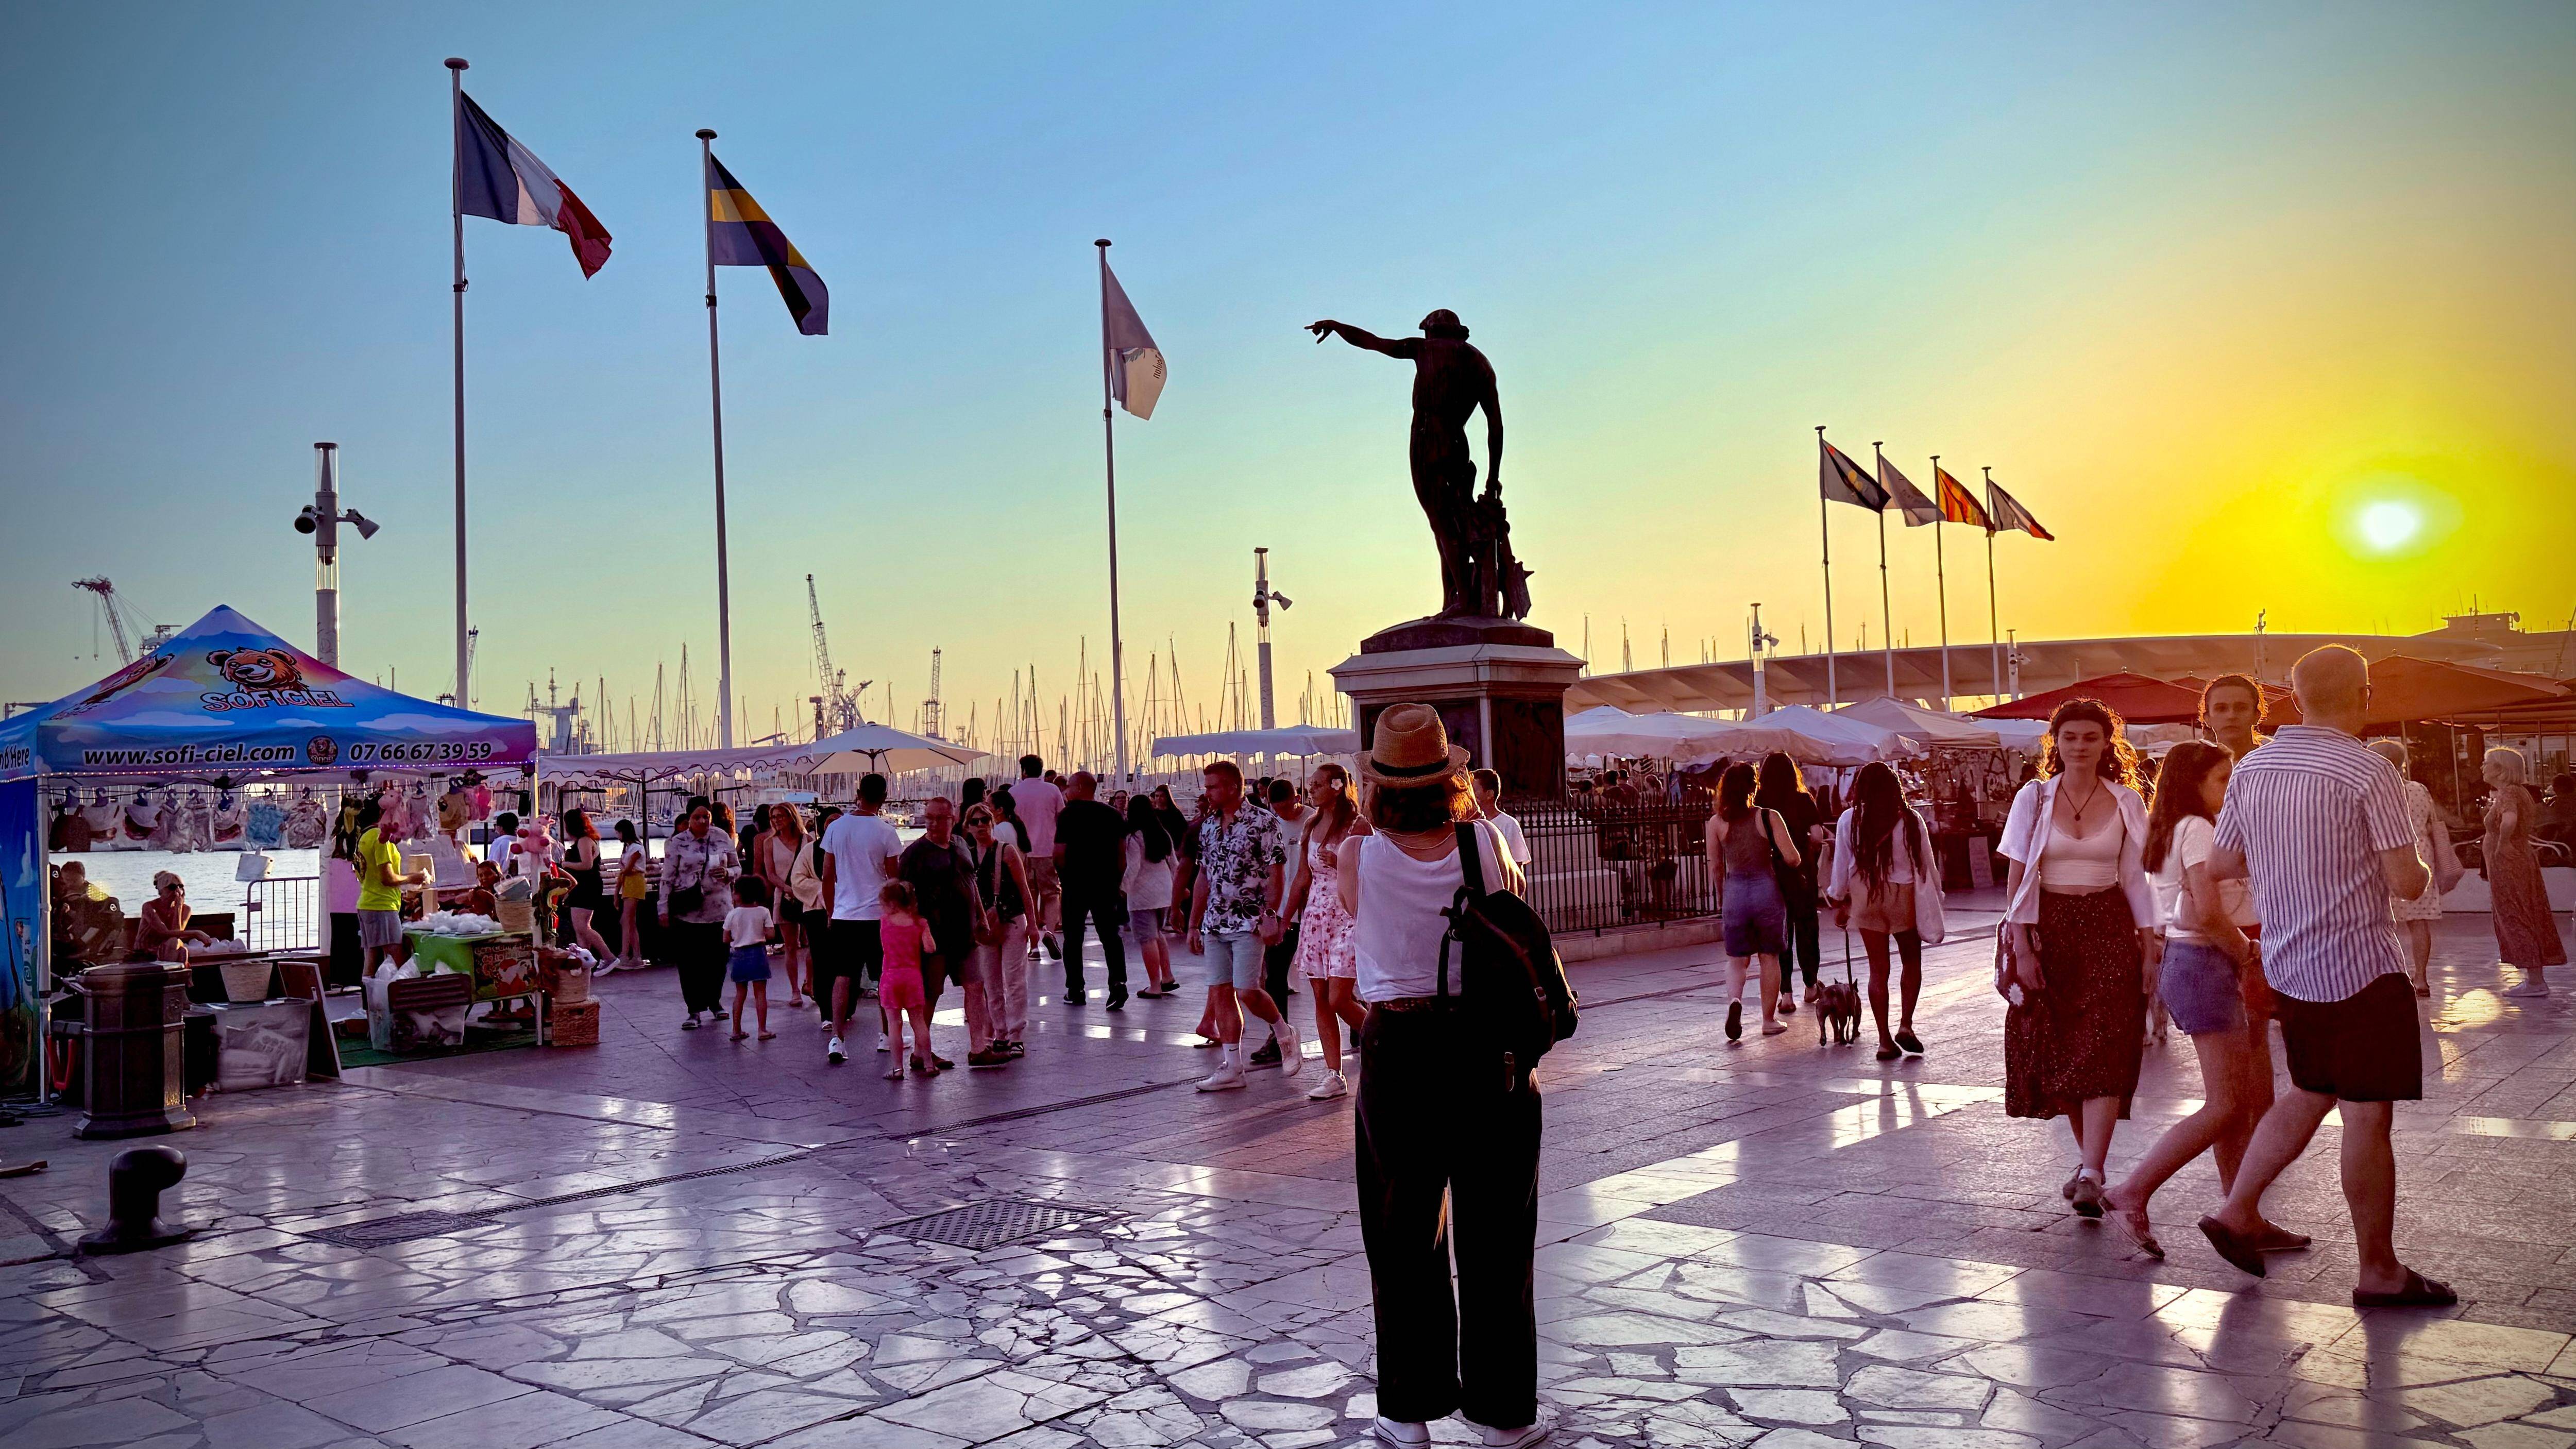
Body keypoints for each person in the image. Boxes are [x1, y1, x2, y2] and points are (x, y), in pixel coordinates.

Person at [2197, 646, 2451, 1307]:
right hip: (2362, 971)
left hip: (2290, 965)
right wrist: (2422, 869)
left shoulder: (2252, 767)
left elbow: (2223, 861)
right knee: (2366, 1117)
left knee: (2308, 1091)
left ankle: (2235, 1211)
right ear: (2363, 695)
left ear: (2292, 695)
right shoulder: (2369, 772)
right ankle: (2379, 1271)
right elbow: (2404, 881)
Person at [1331, 704, 1544, 1449]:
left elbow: (1364, 919)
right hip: (1489, 1050)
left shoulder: (1358, 856)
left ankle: (1408, 1413)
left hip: (1402, 1050)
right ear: (1449, 777)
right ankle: (1504, 1417)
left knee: (1402, 1235)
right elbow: (1513, 909)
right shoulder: (1484, 842)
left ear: (1379, 784)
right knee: (1498, 1235)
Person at [2097, 742, 2294, 1260]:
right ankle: (2130, 1191)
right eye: (2220, 780)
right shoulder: (2198, 829)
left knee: (2235, 1103)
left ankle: (2241, 1211)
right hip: (2206, 963)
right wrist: (2247, 953)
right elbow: (2205, 912)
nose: (2229, 789)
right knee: (2226, 1104)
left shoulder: (2174, 828)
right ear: (2193, 784)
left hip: (2191, 965)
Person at [1999, 698, 2159, 1219]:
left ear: (2105, 743)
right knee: (2060, 1049)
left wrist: (2148, 943)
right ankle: (2089, 1167)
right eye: (2069, 737)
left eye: (2090, 737)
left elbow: (2136, 879)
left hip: (2109, 926)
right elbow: (2017, 877)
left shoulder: (2127, 800)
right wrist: (2021, 945)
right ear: (2055, 743)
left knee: (2105, 1044)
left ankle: (2091, 1170)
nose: (2079, 746)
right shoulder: (2033, 798)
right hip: (2051, 927)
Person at [1187, 760, 1301, 1089]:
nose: (1207, 792)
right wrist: (1194, 924)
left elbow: (1275, 872)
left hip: (1248, 920)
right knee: (1222, 992)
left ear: (1233, 788)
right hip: (1215, 922)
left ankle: (1283, 1031)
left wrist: (1271, 916)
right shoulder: (1208, 827)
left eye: (1212, 787)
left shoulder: (1263, 822)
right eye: (1206, 787)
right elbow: (1203, 877)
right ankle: (1233, 1067)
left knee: (1247, 990)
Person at [1825, 762, 1943, 1060]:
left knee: (1878, 970)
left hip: (1868, 896)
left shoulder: (1849, 820)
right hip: (1903, 896)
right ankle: (1906, 1025)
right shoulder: (1911, 819)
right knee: (1911, 962)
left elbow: (1841, 865)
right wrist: (1936, 896)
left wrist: (1838, 899)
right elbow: (1927, 863)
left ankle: (1884, 1041)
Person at [1287, 762, 1370, 1100]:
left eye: (1318, 784)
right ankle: (1333, 1074)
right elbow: (1302, 877)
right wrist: (1284, 917)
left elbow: (1375, 871)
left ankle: (1388, 1041)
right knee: (1321, 997)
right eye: (1311, 784)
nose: (1311, 789)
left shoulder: (1358, 825)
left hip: (1347, 915)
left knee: (1340, 997)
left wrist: (1346, 865)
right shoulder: (1311, 825)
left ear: (1337, 787)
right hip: (1316, 918)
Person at [1706, 762, 1801, 1041]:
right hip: (1766, 891)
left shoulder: (1716, 824)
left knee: (1737, 959)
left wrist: (1723, 896)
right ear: (1754, 786)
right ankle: (1769, 1020)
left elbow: (1716, 866)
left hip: (1735, 893)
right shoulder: (1768, 817)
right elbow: (1793, 858)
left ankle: (1735, 1001)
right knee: (1769, 956)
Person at [817, 774, 904, 1065]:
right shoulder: (886, 832)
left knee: (843, 977)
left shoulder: (835, 829)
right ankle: (886, 1034)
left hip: (844, 914)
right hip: (879, 916)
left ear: (858, 793)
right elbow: (895, 880)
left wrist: (831, 911)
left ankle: (838, 1038)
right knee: (884, 977)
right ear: (884, 797)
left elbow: (828, 876)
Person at [898, 798, 976, 1074]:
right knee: (931, 993)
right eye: (929, 817)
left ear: (952, 818)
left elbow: (971, 882)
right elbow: (904, 896)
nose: (932, 823)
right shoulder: (915, 853)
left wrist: (980, 918)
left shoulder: (961, 845)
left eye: (939, 818)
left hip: (965, 932)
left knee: (976, 985)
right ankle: (921, 1050)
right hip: (935, 935)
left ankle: (979, 1047)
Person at [2370, 738, 2451, 997]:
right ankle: (2422, 978)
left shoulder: (2377, 791)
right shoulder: (2418, 789)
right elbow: (2431, 822)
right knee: (2419, 922)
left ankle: (2387, 975)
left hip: (2384, 859)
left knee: (2380, 921)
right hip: (2420, 857)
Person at [2482, 747, 2566, 997]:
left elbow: (2509, 820)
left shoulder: (2508, 793)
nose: (2482, 768)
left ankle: (2535, 980)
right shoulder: (2518, 792)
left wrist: (2503, 842)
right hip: (2519, 859)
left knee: (2515, 913)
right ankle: (2535, 977)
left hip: (2509, 862)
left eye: (2486, 763)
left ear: (2500, 768)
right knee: (2527, 910)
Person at [1053, 772, 1132, 1009]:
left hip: (1075, 884)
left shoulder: (1068, 814)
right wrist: (1117, 882)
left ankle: (1075, 989)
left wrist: (1065, 878)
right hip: (1106, 884)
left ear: (1078, 788)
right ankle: (1118, 984)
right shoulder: (1113, 814)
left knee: (1074, 938)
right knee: (1110, 936)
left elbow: (1059, 853)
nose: (1066, 791)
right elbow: (1122, 854)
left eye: (1068, 787)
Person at [1756, 752, 1825, 1014]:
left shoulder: (1760, 802)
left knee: (1781, 933)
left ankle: (1786, 995)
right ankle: (1810, 985)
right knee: (1807, 927)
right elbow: (1818, 836)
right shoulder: (1803, 799)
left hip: (1772, 874)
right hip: (1802, 873)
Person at [964, 802, 1033, 1066]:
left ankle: (1016, 1034)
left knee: (1014, 979)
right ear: (968, 827)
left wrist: (1034, 926)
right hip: (984, 927)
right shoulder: (967, 855)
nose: (981, 825)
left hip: (1012, 920)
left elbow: (1025, 890)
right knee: (990, 983)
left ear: (992, 823)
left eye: (985, 820)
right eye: (975, 821)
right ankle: (1000, 1033)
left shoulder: (1006, 852)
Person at [660, 802, 738, 1031]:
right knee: (689, 963)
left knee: (718, 960)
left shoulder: (722, 837)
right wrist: (662, 909)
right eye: (697, 817)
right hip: (688, 912)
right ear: (689, 818)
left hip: (720, 910)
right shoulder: (677, 842)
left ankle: (714, 1001)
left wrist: (729, 873)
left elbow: (737, 867)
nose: (703, 821)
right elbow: (667, 878)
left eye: (707, 817)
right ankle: (694, 1009)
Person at [1249, 776, 1310, 1065]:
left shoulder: (1314, 820)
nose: (1285, 814)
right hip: (1284, 910)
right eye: (1279, 809)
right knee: (1275, 975)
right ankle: (1279, 1035)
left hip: (1313, 908)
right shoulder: (1272, 825)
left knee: (1333, 976)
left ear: (1297, 798)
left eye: (1288, 807)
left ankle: (1356, 1018)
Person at [355, 797, 427, 975]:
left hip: (368, 903)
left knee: (371, 957)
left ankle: (370, 1001)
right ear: (383, 814)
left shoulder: (364, 837)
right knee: (397, 958)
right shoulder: (381, 840)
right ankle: (395, 1000)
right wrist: (414, 877)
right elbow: (387, 879)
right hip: (382, 906)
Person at [877, 881, 940, 1079]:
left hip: (890, 977)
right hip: (912, 977)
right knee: (919, 1022)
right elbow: (930, 948)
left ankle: (897, 1069)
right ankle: (929, 1064)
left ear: (893, 904)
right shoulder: (920, 923)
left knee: (894, 1025)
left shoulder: (884, 922)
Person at [1122, 795, 1179, 999]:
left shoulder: (1134, 837)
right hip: (1165, 891)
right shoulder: (1162, 833)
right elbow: (1174, 864)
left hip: (1142, 895)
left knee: (1147, 939)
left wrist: (1123, 888)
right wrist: (1178, 889)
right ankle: (1168, 977)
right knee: (1158, 934)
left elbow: (1134, 867)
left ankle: (1155, 986)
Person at [1011, 756, 1067, 963]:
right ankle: (1050, 932)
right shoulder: (1052, 790)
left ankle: (1033, 947)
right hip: (1047, 849)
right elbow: (1062, 818)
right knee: (1052, 894)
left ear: (1024, 771)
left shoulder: (1013, 793)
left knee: (1029, 895)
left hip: (1022, 853)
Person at [758, 804, 815, 1010]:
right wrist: (788, 888)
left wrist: (803, 888)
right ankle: (794, 990)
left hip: (807, 896)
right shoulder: (770, 843)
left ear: (791, 817)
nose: (776, 820)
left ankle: (810, 982)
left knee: (813, 944)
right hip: (784, 896)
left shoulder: (807, 840)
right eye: (773, 817)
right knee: (791, 946)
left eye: (780, 816)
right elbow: (771, 873)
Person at [724, 875, 778, 1042]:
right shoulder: (763, 912)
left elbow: (726, 938)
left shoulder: (733, 914)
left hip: (739, 955)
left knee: (740, 993)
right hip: (758, 954)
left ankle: (736, 1030)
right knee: (760, 992)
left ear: (739, 895)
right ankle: (762, 1030)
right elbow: (771, 934)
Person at [558, 809, 615, 964]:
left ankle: (609, 957)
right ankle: (585, 963)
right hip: (584, 886)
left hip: (586, 887)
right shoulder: (586, 840)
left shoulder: (584, 841)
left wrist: (565, 864)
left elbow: (587, 865)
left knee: (583, 927)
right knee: (580, 929)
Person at [135, 871, 215, 963]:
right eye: (172, 887)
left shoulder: (186, 909)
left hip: (168, 948)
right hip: (146, 951)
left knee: (179, 948)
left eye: (180, 886)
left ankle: (172, 973)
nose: (177, 890)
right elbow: (164, 933)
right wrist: (196, 933)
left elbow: (178, 933)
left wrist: (178, 908)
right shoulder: (149, 907)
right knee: (175, 944)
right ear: (162, 890)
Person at [1470, 769, 1531, 869]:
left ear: (1490, 794)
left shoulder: (1509, 824)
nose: (1470, 795)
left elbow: (1517, 865)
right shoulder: (1469, 823)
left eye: (1474, 790)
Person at [612, 819, 650, 972]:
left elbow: (627, 869)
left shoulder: (636, 848)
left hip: (635, 882)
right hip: (628, 883)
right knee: (630, 921)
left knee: (626, 920)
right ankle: (636, 955)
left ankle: (625, 954)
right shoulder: (629, 849)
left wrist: (621, 874)